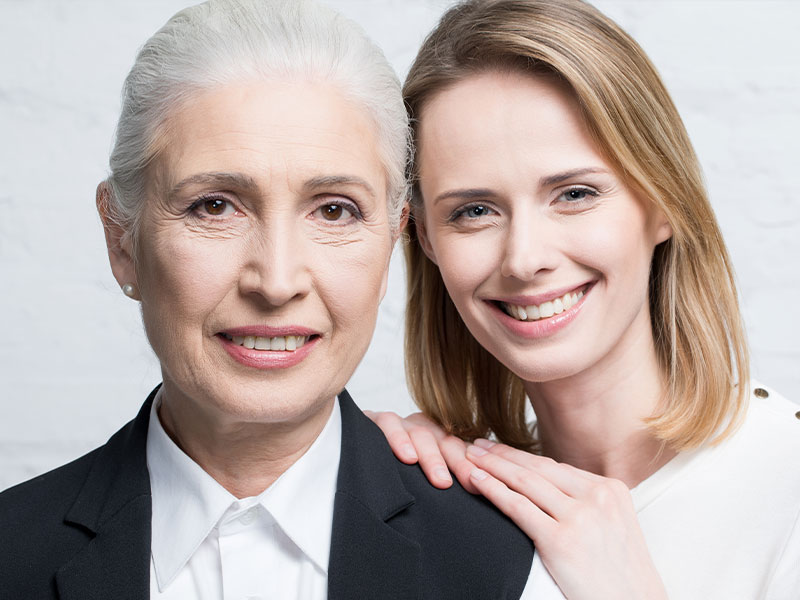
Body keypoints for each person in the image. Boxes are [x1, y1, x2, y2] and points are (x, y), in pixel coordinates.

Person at [0, 1, 539, 598]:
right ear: (121, 240)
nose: (277, 282)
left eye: (334, 210)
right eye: (215, 205)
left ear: (392, 242)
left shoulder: (520, 566)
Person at [368, 0, 800, 598]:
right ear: (425, 239)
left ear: (663, 200)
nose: (524, 258)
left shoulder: (788, 488)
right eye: (474, 210)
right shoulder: (457, 499)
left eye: (573, 194)